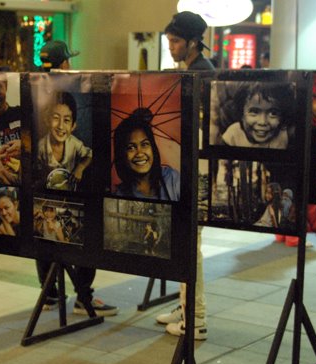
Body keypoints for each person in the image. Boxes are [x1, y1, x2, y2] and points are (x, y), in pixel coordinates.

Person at [33, 39, 117, 317]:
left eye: (67, 120)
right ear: (65, 63)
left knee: (45, 239)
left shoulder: (34, 86)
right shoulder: (77, 85)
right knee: (80, 237)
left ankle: (49, 295)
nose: (61, 125)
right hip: (62, 198)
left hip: (50, 194)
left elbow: (87, 154)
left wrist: (79, 169)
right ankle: (83, 298)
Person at [156, 10, 211, 340]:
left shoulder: (202, 75)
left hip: (196, 171)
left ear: (192, 42)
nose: (171, 47)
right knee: (184, 242)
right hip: (186, 168)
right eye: (169, 41)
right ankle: (186, 305)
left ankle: (196, 317)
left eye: (175, 41)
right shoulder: (192, 71)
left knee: (191, 245)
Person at [113, 110, 179, 200]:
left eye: (144, 144)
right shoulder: (120, 195)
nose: (140, 153)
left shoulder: (172, 178)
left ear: (153, 148)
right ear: (122, 155)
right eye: (131, 147)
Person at [37, 91, 92, 191]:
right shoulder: (40, 147)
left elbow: (89, 155)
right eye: (56, 118)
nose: (61, 126)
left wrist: (80, 167)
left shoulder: (74, 143)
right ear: (47, 120)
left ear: (73, 126)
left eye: (66, 120)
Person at [221, 83, 291, 149]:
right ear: (241, 113)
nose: (263, 122)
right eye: (254, 112)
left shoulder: (282, 136)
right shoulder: (233, 133)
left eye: (273, 113)